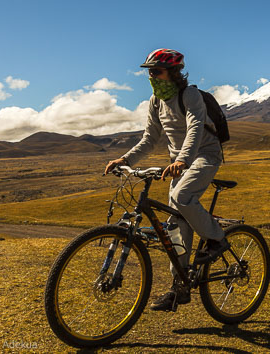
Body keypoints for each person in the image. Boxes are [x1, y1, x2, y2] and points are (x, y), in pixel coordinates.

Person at [104, 48, 228, 311]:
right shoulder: (155, 101)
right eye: (149, 72)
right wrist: (124, 160)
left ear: (173, 73)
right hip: (179, 163)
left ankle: (217, 239)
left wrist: (182, 160)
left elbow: (195, 128)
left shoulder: (190, 95)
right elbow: (149, 139)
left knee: (182, 197)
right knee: (176, 222)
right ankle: (178, 288)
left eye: (156, 71)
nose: (151, 76)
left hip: (204, 155)